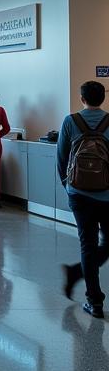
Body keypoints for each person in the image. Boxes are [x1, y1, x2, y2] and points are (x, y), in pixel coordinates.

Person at [58, 80, 109, 318]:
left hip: (79, 194)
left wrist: (68, 186)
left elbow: (61, 157)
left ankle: (94, 300)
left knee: (88, 245)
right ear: (103, 98)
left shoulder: (71, 121)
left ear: (82, 99)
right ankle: (84, 285)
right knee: (105, 244)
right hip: (107, 195)